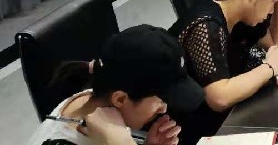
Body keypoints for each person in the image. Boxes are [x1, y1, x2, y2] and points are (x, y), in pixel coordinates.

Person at [169, 0, 278, 144]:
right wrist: (269, 67)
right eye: (272, 1)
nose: (272, 10)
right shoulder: (206, 25)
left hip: (229, 114)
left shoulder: (241, 15)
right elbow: (219, 98)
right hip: (190, 131)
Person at [28, 25, 205, 145]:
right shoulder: (62, 141)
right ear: (120, 99)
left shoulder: (92, 99)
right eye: (161, 100)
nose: (163, 109)